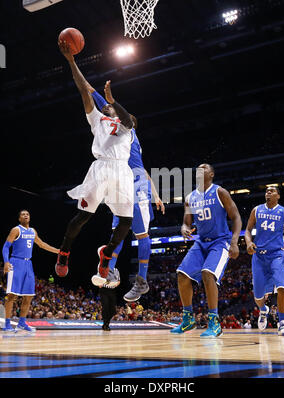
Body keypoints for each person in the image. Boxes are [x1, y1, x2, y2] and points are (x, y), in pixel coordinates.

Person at [55, 40, 135, 282]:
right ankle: (65, 251)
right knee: (83, 217)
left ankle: (107, 253)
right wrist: (71, 60)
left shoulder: (127, 128)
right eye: (111, 107)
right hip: (100, 168)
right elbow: (83, 89)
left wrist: (113, 100)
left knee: (126, 222)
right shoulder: (98, 119)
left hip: (122, 172)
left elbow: (129, 121)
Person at [87, 82, 165, 301]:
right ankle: (110, 270)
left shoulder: (127, 131)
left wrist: (99, 94)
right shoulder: (123, 139)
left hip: (135, 183)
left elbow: (141, 170)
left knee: (141, 235)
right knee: (117, 232)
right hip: (121, 182)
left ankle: (141, 280)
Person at [170, 164, 242, 337]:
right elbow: (187, 221)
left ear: (211, 174)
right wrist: (184, 228)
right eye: (197, 169)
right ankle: (188, 319)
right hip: (201, 242)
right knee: (182, 274)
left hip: (220, 241)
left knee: (207, 273)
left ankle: (214, 322)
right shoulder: (190, 197)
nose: (199, 171)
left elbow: (236, 217)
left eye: (204, 169)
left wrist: (234, 242)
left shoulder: (220, 192)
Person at [244, 186, 284, 336]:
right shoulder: (256, 210)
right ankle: (263, 310)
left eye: (272, 190)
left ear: (278, 196)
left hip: (277, 255)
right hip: (259, 256)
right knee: (258, 297)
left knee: (282, 288)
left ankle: (282, 324)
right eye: (267, 190)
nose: (268, 192)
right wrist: (249, 243)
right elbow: (247, 231)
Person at [2, 210, 59, 332]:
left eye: (27, 214)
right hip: (16, 262)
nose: (25, 215)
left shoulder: (32, 231)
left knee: (28, 296)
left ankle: (22, 323)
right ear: (19, 218)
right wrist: (6, 262)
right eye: (23, 214)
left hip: (28, 264)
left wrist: (58, 251)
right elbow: (6, 247)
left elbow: (42, 244)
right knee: (12, 295)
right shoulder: (16, 230)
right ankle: (7, 324)